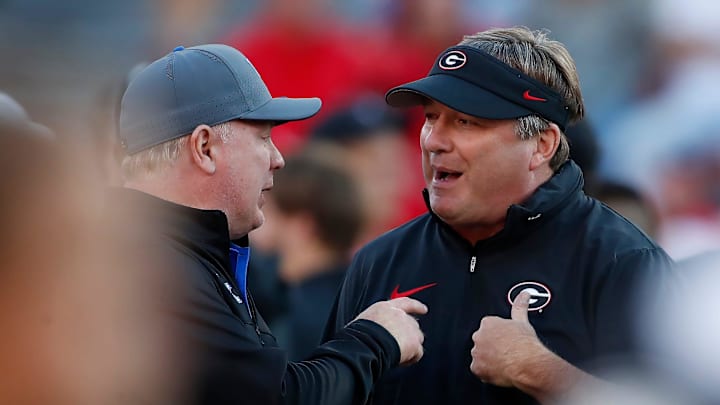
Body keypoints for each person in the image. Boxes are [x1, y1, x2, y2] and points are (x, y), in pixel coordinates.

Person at [323, 27, 677, 404]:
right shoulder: (380, 261)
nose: (433, 140)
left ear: (542, 145)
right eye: (431, 117)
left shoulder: (622, 262)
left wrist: (541, 371)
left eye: (465, 122)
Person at [114, 43, 427, 405]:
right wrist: (377, 339)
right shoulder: (152, 264)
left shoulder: (177, 252)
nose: (278, 159)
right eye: (263, 137)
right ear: (204, 148)